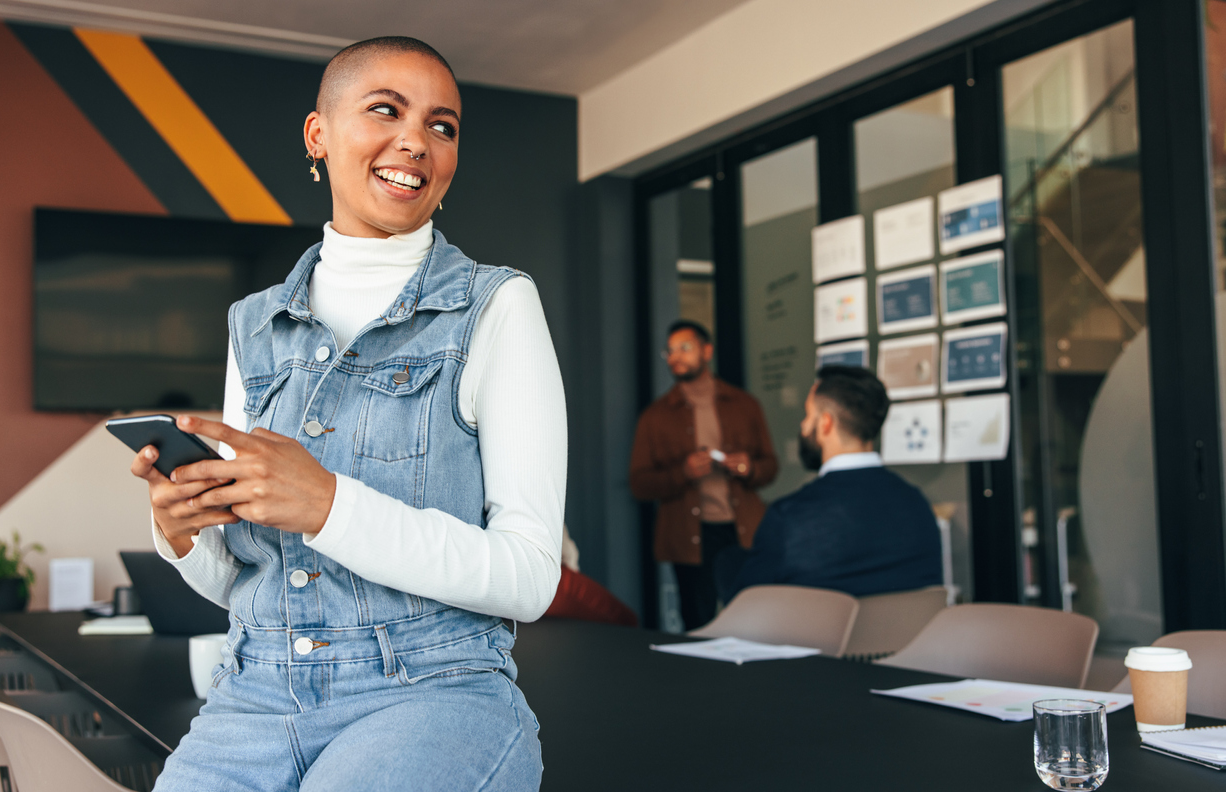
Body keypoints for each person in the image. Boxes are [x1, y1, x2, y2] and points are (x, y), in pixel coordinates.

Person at [127, 37, 564, 791]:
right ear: (318, 136)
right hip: (254, 691)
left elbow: (530, 577)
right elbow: (245, 578)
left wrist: (328, 504)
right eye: (385, 111)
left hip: (433, 693)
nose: (415, 143)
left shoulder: (497, 306)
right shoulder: (253, 325)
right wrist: (184, 532)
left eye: (442, 125)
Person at [719, 366, 941, 603]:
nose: (804, 426)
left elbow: (744, 606)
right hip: (903, 640)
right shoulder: (917, 506)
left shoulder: (790, 517)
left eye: (808, 416)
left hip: (814, 640)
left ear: (825, 424)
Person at [629, 320, 777, 630]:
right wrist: (682, 472)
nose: (675, 357)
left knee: (753, 619)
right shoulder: (655, 416)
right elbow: (639, 484)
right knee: (698, 623)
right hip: (688, 535)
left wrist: (749, 468)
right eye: (669, 351)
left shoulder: (745, 405)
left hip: (743, 529)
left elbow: (770, 467)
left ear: (706, 351)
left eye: (684, 348)